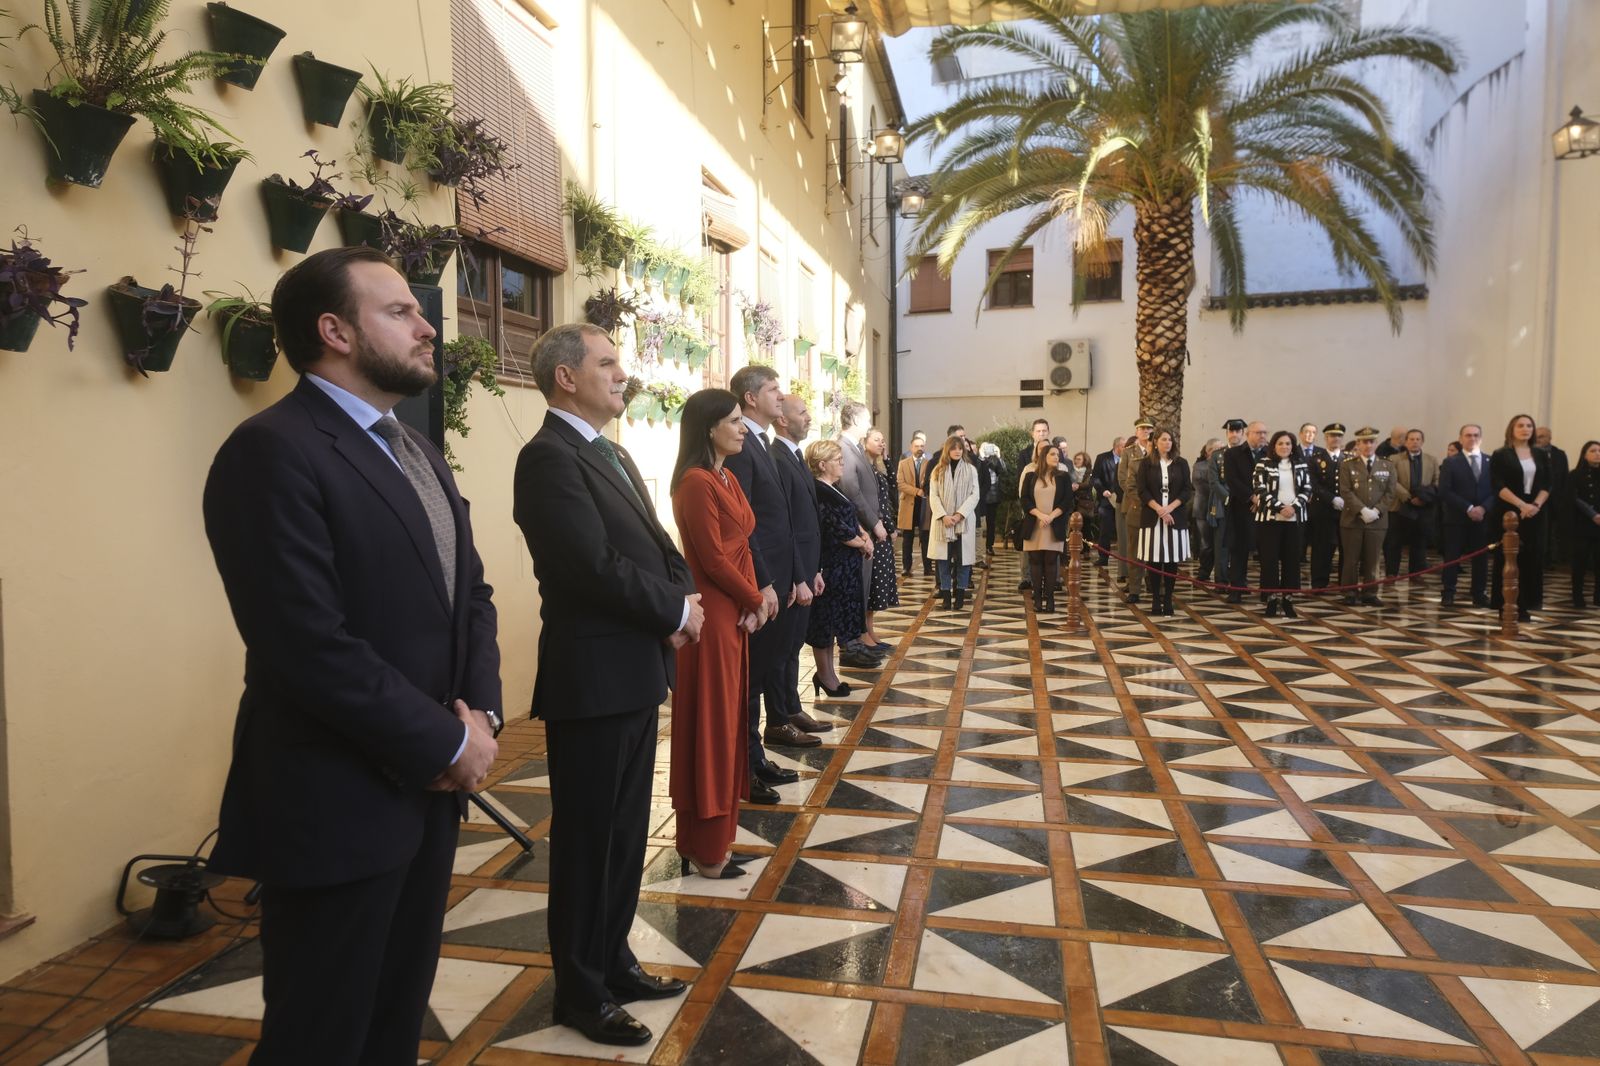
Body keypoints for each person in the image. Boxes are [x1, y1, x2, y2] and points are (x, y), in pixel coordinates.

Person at [201, 247, 503, 1064]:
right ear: (333, 330)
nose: (427, 325)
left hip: (428, 796)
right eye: (400, 311)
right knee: (321, 1035)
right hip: (336, 800)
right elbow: (304, 642)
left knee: (392, 1022)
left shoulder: (418, 452)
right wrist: (445, 743)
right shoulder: (273, 450)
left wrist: (480, 719)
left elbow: (467, 597)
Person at [513, 323, 700, 1047]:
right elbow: (587, 567)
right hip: (589, 678)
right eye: (608, 363)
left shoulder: (612, 452)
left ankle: (615, 961)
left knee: (623, 838)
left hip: (633, 671)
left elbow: (651, 544)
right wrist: (673, 610)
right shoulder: (546, 459)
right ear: (566, 377)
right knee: (588, 842)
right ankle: (580, 993)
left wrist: (679, 594)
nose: (624, 375)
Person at [668, 390, 763, 878]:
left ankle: (718, 838)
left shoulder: (725, 475)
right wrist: (753, 599)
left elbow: (739, 544)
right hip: (713, 616)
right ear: (708, 427)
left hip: (734, 611)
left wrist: (751, 602)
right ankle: (704, 847)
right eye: (733, 420)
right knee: (712, 726)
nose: (743, 427)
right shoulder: (696, 481)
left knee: (729, 722)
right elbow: (711, 559)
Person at [724, 366, 819, 789]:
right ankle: (745, 765)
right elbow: (747, 525)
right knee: (750, 681)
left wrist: (795, 574)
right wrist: (762, 581)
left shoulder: (758, 442)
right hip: (762, 582)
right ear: (749, 397)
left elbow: (782, 519)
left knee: (761, 677)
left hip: (779, 579)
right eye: (773, 390)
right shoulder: (741, 444)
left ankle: (756, 757)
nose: (781, 397)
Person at [770, 393, 833, 712]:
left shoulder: (793, 455)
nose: (809, 417)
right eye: (803, 412)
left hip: (807, 569)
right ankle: (782, 716)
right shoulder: (777, 458)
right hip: (794, 574)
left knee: (794, 646)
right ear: (782, 419)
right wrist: (798, 577)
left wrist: (815, 570)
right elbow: (788, 524)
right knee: (783, 649)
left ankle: (792, 709)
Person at [807, 440, 873, 691]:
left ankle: (829, 675)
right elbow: (836, 527)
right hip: (831, 568)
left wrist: (863, 536)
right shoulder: (819, 490)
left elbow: (850, 519)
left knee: (833, 625)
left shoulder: (833, 488)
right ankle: (825, 676)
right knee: (825, 624)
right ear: (822, 464)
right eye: (838, 460)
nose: (842, 463)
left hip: (843, 567)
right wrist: (862, 543)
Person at [836, 401, 889, 667]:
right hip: (857, 529)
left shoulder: (855, 448)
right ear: (856, 421)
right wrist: (873, 522)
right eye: (867, 419)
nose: (869, 425)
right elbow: (851, 491)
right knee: (854, 589)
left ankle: (858, 640)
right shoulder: (843, 448)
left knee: (863, 589)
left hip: (865, 529)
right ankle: (851, 647)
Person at [1490, 414, 1552, 621]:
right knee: (1509, 558)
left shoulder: (1541, 454)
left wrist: (1535, 505)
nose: (1526, 429)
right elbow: (1498, 484)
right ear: (1512, 429)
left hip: (1534, 512)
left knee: (1532, 558)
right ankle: (1505, 605)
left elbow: (1547, 484)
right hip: (1510, 511)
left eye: (1529, 426)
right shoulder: (1501, 454)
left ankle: (1526, 604)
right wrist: (1521, 505)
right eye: (1521, 425)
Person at [1338, 426, 1399, 607]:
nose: (1367, 445)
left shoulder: (1387, 465)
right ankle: (1349, 591)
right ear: (1357, 444)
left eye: (1371, 441)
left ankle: (1370, 592)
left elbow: (1390, 492)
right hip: (1352, 519)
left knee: (1373, 559)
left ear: (1376, 443)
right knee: (1351, 558)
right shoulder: (1347, 465)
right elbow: (1345, 490)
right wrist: (1362, 510)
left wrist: (1376, 511)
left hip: (1377, 521)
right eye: (1364, 442)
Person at [1253, 430, 1312, 617]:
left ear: (1292, 446)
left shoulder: (1301, 464)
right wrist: (1280, 508)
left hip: (1294, 520)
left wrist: (1293, 507)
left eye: (1288, 444)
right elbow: (1260, 489)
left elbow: (1307, 488)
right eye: (1280, 443)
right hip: (1270, 520)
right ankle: (1271, 600)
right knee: (1269, 561)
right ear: (1274, 446)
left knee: (1292, 561)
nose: (1284, 447)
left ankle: (1288, 600)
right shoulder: (1263, 463)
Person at [1438, 423, 1494, 607]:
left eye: (1476, 435)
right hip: (1457, 517)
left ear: (1481, 438)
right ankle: (1448, 592)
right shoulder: (1451, 462)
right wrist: (1469, 508)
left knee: (1481, 558)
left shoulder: (1490, 461)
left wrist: (1483, 508)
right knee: (1452, 556)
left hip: (1483, 518)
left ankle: (1479, 592)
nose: (1472, 438)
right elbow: (1445, 491)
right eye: (1468, 435)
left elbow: (1496, 490)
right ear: (1461, 438)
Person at [1137, 428, 1193, 615]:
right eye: (1163, 439)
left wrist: (1170, 508)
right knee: (1154, 559)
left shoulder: (1181, 463)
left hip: (1175, 516)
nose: (1167, 443)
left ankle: (1168, 598)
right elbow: (1142, 490)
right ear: (1155, 442)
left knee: (1171, 560)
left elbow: (1187, 490)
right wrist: (1160, 509)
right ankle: (1155, 599)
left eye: (1170, 439)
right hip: (1153, 516)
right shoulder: (1146, 464)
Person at [928, 434, 980, 610]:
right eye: (953, 448)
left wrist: (959, 514)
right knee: (943, 560)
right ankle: (945, 594)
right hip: (943, 522)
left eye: (960, 448)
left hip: (963, 522)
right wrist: (944, 516)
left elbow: (975, 494)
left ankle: (959, 593)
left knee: (963, 560)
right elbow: (933, 496)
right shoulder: (938, 470)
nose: (957, 451)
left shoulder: (971, 470)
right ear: (947, 450)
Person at [1020, 441, 1072, 612]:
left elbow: (1067, 501)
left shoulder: (1063, 477)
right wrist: (1040, 515)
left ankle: (1050, 600)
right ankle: (1037, 599)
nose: (1057, 457)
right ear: (1043, 456)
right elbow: (1025, 499)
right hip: (1035, 524)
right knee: (1035, 562)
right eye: (1052, 454)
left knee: (1051, 562)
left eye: (1058, 454)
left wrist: (1050, 517)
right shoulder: (1030, 476)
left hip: (1053, 524)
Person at [1223, 420, 1268, 603]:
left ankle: (1267, 590)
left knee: (1267, 551)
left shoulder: (1270, 454)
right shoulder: (1233, 453)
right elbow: (1232, 480)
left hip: (1266, 509)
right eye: (1258, 433)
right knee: (1239, 550)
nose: (1262, 436)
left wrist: (1262, 499)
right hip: (1241, 507)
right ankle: (1237, 589)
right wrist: (1252, 497)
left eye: (1265, 433)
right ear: (1248, 434)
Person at [863, 427, 901, 642]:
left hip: (885, 532)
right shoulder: (864, 467)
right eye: (877, 440)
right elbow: (874, 504)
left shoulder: (877, 468)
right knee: (871, 587)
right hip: (875, 532)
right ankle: (866, 632)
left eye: (883, 440)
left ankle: (870, 629)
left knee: (878, 587)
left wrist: (887, 460)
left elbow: (893, 491)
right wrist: (886, 526)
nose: (882, 443)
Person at [1385, 429, 1438, 579]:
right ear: (1406, 442)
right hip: (1400, 506)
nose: (1415, 442)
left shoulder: (1431, 460)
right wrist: (1408, 497)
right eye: (1411, 439)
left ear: (1422, 441)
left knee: (1419, 542)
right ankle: (1391, 573)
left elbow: (1437, 480)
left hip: (1423, 506)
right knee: (1394, 542)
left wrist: (1424, 497)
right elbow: (1391, 480)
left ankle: (1416, 573)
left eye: (1418, 439)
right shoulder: (1394, 459)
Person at [1117, 417, 1154, 603]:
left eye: (1149, 429)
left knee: (1154, 548)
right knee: (1134, 548)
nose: (1146, 432)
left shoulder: (1156, 452)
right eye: (1142, 429)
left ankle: (1154, 584)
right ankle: (1134, 588)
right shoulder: (1128, 452)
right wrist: (1141, 500)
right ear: (1137, 431)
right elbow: (1123, 479)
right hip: (1134, 505)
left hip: (1154, 508)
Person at [1306, 423, 1344, 589]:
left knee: (1346, 549)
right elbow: (1313, 484)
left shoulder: (1349, 459)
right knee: (1322, 548)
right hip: (1322, 510)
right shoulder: (1315, 459)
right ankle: (1319, 583)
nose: (1335, 439)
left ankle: (1345, 583)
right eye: (1332, 436)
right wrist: (1332, 499)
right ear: (1326, 438)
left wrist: (1344, 499)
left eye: (1338, 436)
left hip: (1345, 511)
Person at [896, 430, 931, 576]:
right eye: (916, 446)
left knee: (925, 538)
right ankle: (906, 567)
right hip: (908, 504)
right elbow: (900, 484)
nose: (919, 448)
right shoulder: (903, 463)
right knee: (907, 539)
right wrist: (917, 491)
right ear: (911, 448)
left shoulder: (929, 464)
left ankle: (928, 568)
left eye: (922, 446)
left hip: (924, 506)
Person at [1537, 426, 1571, 570]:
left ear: (1550, 438)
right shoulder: (1529, 453)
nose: (1539, 439)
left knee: (1553, 531)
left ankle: (1551, 559)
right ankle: (1538, 558)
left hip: (1555, 500)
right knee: (1538, 530)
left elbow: (1564, 477)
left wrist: (1563, 499)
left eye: (1542, 436)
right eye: (1537, 436)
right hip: (1535, 500)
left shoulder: (1559, 454)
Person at [1572, 441, 1600, 609]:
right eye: (1593, 450)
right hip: (1582, 524)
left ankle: (1598, 596)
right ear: (1585, 454)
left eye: (1599, 451)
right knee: (1580, 562)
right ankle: (1577, 596)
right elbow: (1574, 498)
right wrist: (1593, 514)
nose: (1597, 453)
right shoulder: (1575, 475)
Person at [1090, 437, 1124, 568]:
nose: (1125, 449)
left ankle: (1124, 559)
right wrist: (1103, 490)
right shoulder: (1103, 458)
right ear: (1116, 446)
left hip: (1123, 500)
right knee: (1105, 530)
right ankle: (1103, 557)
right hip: (1107, 500)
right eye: (1123, 446)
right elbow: (1095, 478)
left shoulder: (1128, 459)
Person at [1192, 438, 1221, 583]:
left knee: (1221, 542)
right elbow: (1205, 487)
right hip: (1204, 509)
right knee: (1206, 543)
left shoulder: (1225, 465)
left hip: (1221, 509)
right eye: (1217, 449)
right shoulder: (1200, 466)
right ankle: (1204, 571)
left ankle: (1221, 573)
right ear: (1208, 452)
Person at [976, 441, 1005, 561]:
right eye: (985, 448)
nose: (988, 450)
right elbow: (977, 472)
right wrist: (982, 457)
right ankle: (979, 548)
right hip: (980, 495)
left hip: (993, 495)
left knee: (991, 522)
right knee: (981, 523)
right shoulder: (977, 460)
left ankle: (989, 546)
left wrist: (998, 456)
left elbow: (1003, 470)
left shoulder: (994, 459)